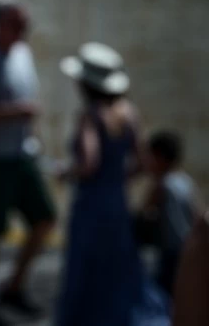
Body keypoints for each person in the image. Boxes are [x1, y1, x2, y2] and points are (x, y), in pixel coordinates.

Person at [55, 42, 170, 326]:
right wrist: (117, 179)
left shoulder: (91, 117)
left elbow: (89, 163)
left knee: (87, 274)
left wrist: (67, 172)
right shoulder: (129, 114)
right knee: (119, 271)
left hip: (92, 204)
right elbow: (142, 163)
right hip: (116, 202)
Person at [0, 2, 56, 326]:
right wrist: (14, 113)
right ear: (0, 25)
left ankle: (13, 286)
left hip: (20, 155)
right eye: (17, 24)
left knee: (44, 219)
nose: (22, 30)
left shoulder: (22, 54)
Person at [137, 131, 200, 298]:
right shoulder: (185, 182)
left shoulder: (162, 186)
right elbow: (197, 215)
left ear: (160, 158)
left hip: (171, 253)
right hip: (188, 250)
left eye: (150, 157)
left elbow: (145, 213)